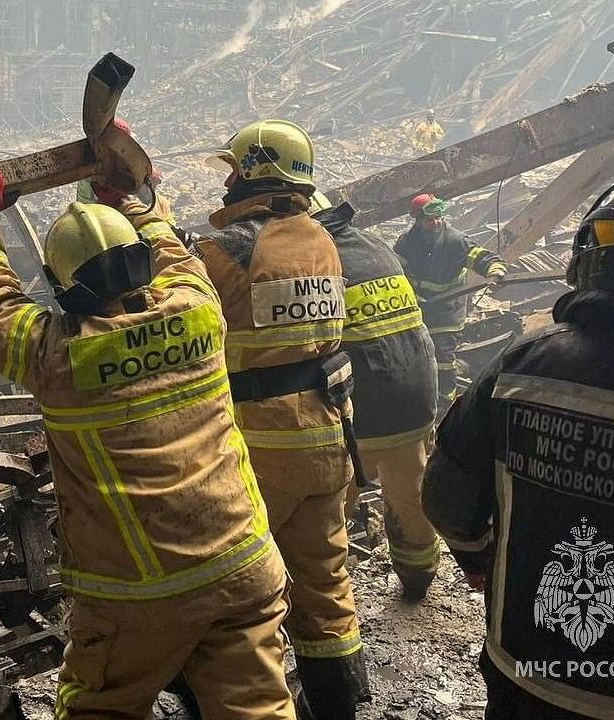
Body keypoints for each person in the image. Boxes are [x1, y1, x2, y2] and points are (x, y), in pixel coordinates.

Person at [0, 164, 294, 720]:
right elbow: (172, 250)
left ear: (61, 287)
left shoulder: (56, 356)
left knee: (100, 707)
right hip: (243, 564)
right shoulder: (199, 308)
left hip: (139, 594)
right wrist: (132, 197)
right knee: (257, 707)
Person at [421, 168, 614, 718]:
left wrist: (478, 558)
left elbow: (447, 501)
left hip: (527, 680)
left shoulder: (520, 368)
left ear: (592, 258)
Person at [196, 120, 366, 720]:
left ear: (252, 172)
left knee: (248, 595)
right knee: (325, 585)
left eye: (233, 170)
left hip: (258, 450)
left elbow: (176, 298)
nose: (227, 183)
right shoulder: (319, 238)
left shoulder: (227, 252)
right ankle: (340, 707)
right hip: (326, 437)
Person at [310, 192, 441, 601]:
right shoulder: (376, 247)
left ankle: (323, 593)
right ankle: (418, 580)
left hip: (363, 412)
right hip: (417, 400)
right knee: (411, 495)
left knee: (328, 506)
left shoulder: (315, 260)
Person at [395, 194, 507, 415]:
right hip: (420, 306)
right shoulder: (407, 242)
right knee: (416, 352)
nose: (437, 222)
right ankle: (422, 397)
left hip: (449, 309)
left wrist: (495, 272)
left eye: (439, 217)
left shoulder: (455, 240)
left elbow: (483, 258)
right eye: (431, 219)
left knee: (443, 356)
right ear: (417, 220)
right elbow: (395, 270)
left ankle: (446, 405)